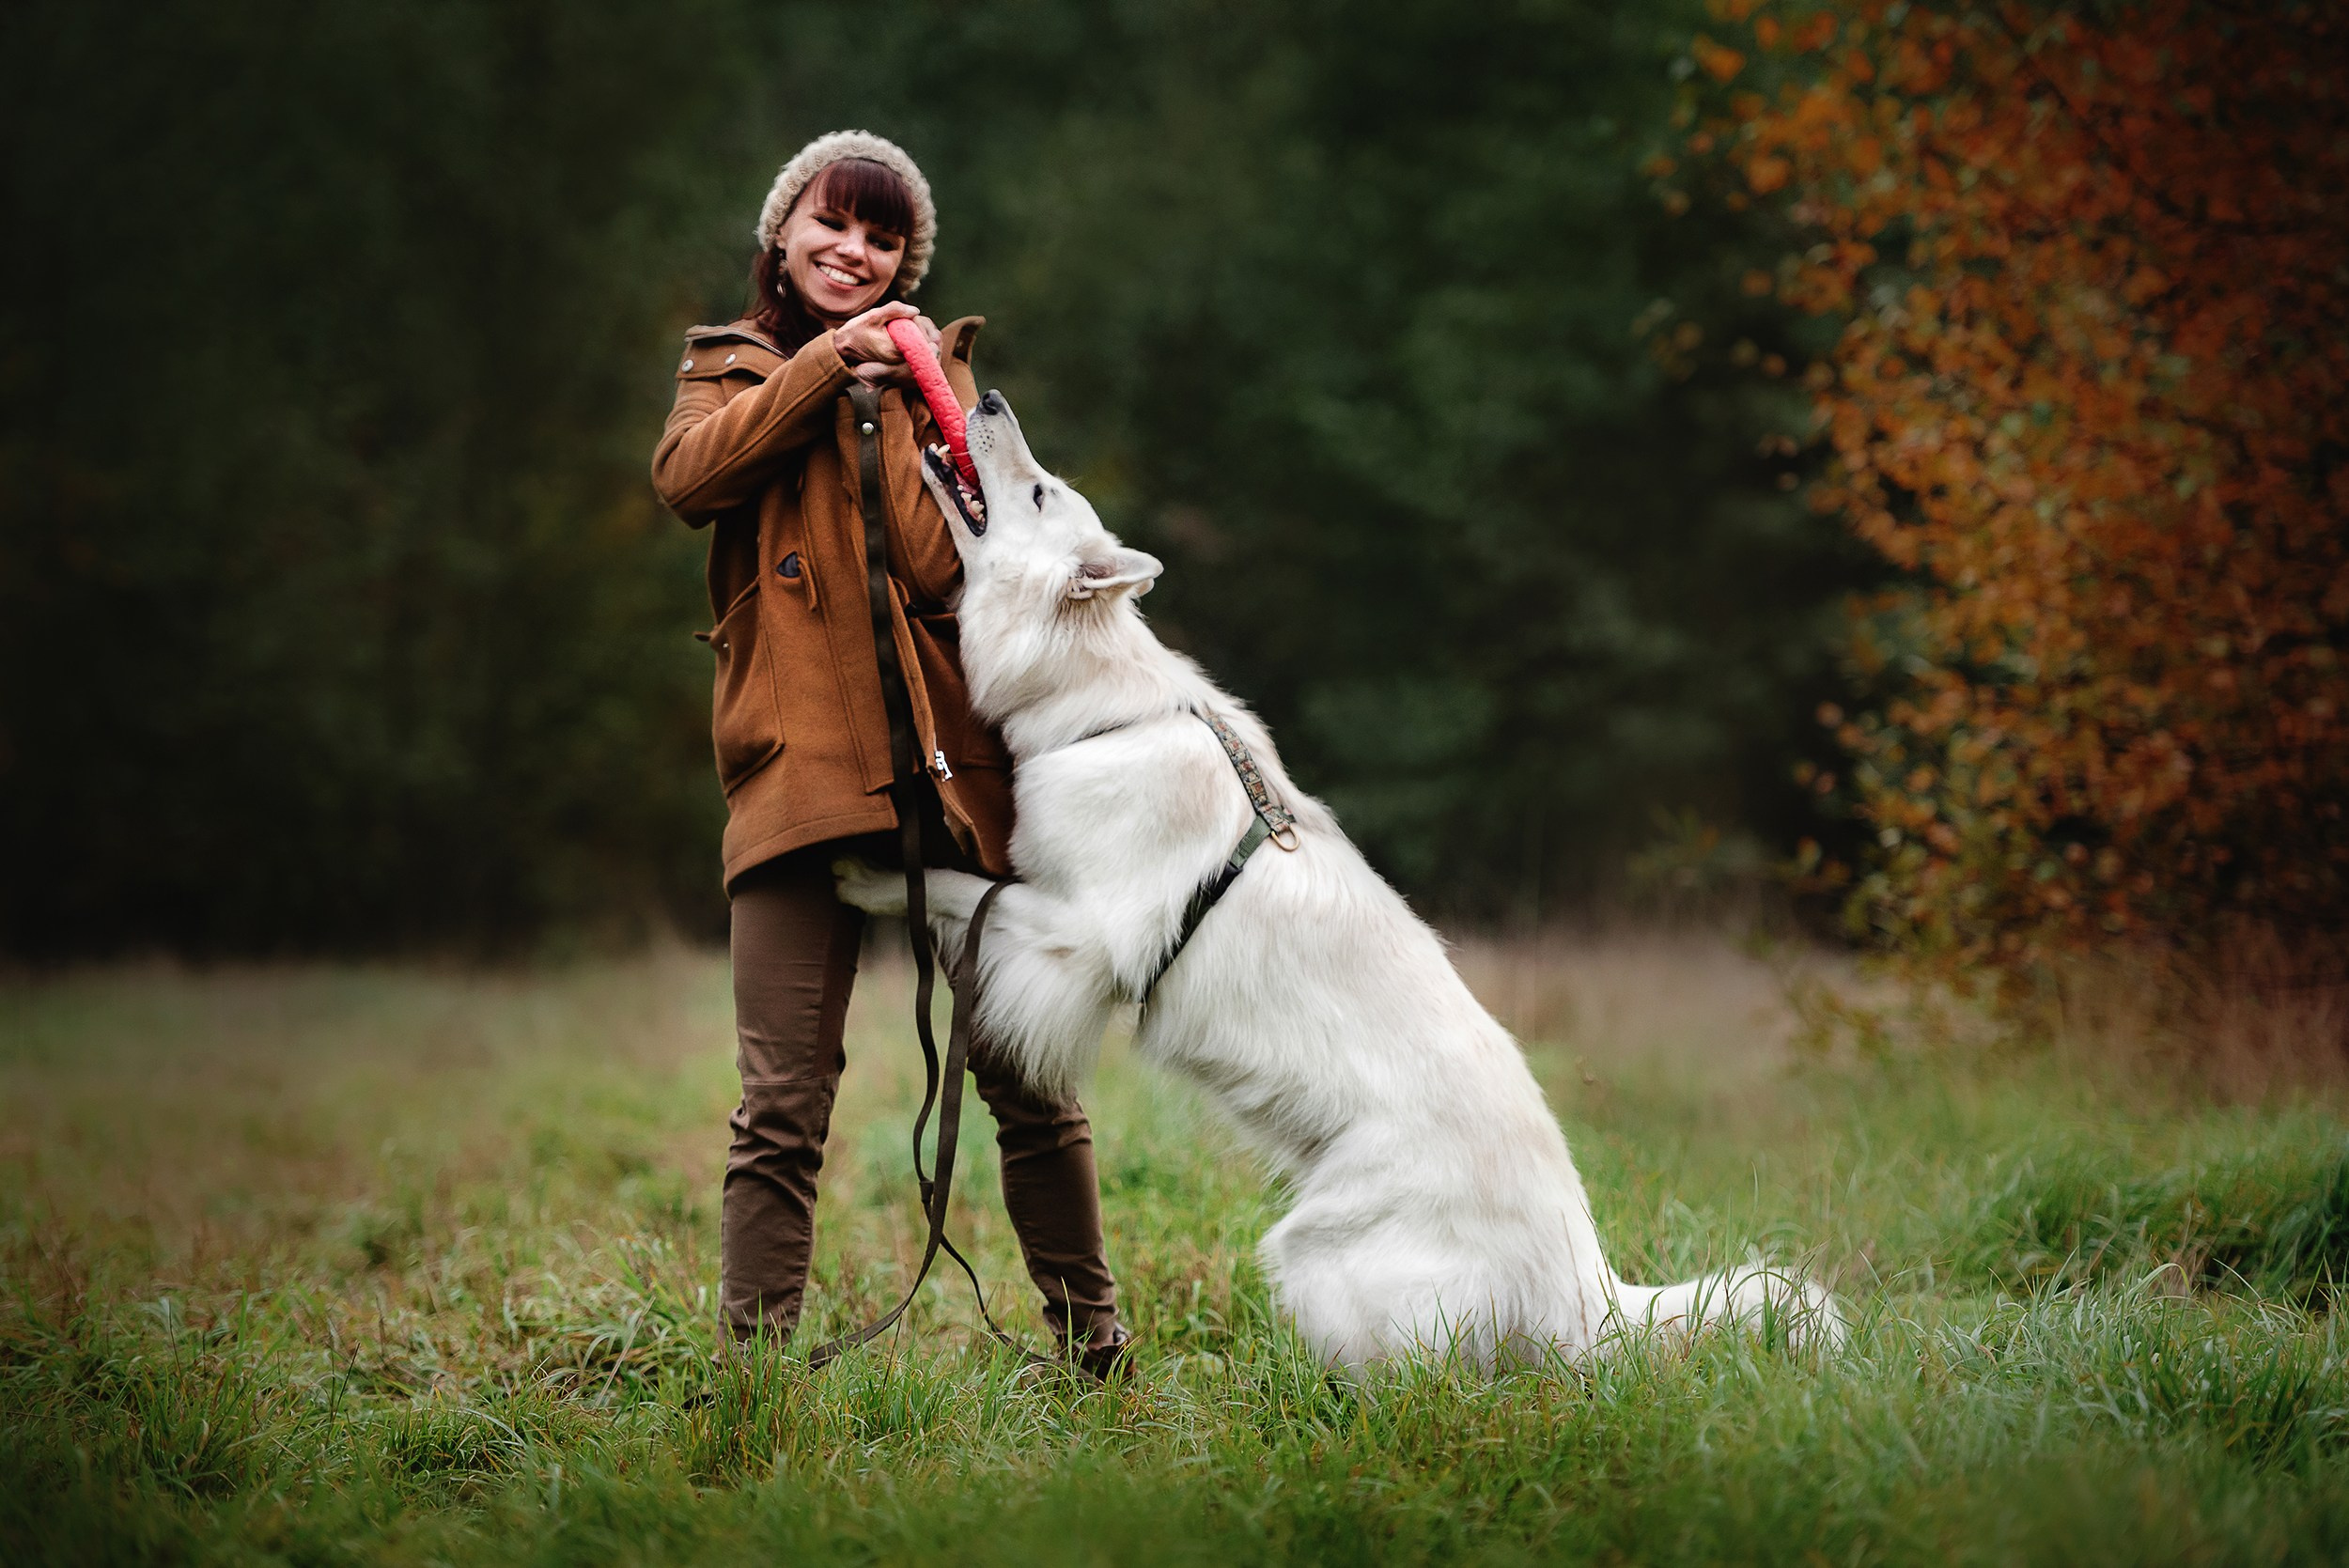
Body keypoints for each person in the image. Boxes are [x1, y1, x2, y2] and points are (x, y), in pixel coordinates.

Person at [650, 130, 1129, 1376]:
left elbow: (935, 566)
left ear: (906, 262)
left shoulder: (941, 387)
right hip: (796, 773)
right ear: (782, 231)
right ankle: (752, 1382)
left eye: (882, 236)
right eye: (833, 221)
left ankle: (1097, 1355)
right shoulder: (729, 369)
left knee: (1031, 1087)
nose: (853, 251)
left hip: (954, 776)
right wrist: (821, 373)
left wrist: (917, 397)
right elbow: (690, 478)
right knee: (781, 1110)